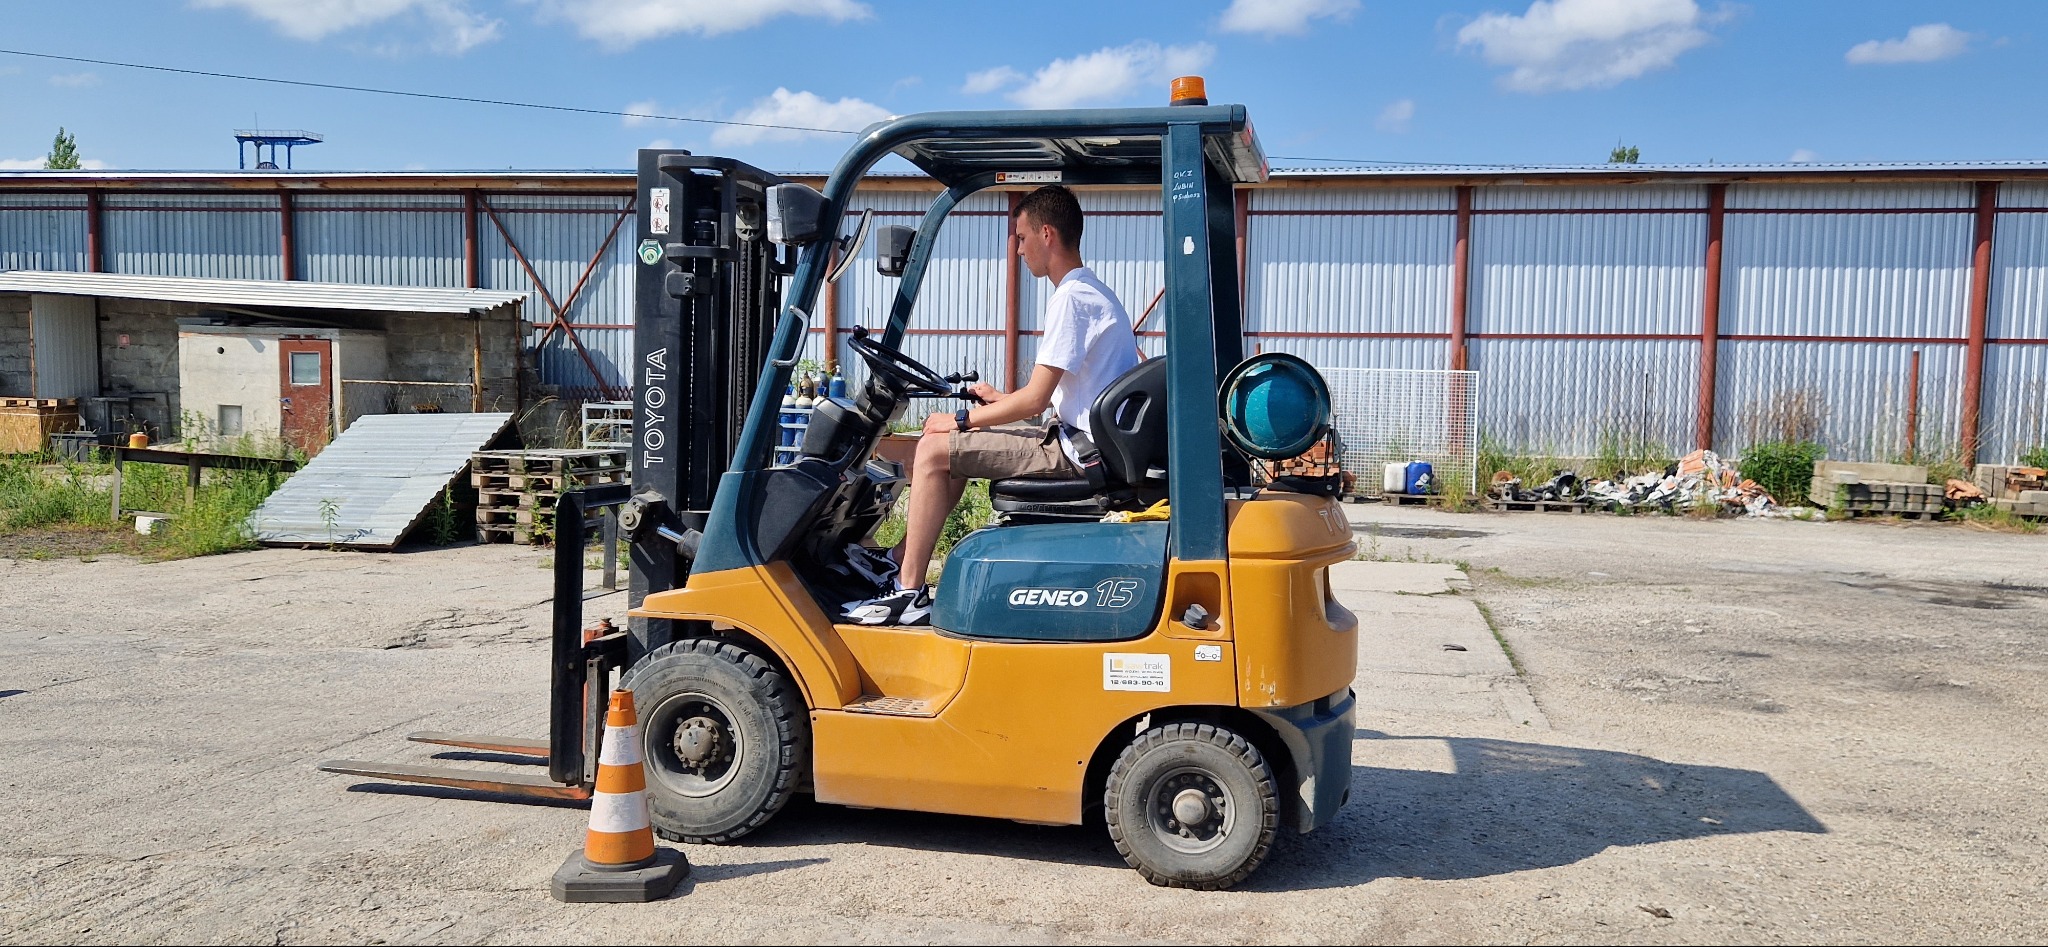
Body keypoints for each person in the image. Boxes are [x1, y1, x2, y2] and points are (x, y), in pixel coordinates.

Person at [846, 185, 1139, 626]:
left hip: (1077, 453)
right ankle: (902, 557)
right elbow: (1060, 394)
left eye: (1021, 239)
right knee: (955, 446)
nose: (1018, 250)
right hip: (1078, 439)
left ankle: (906, 591)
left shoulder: (1072, 299)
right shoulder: (1090, 291)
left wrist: (961, 417)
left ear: (1046, 234)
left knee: (934, 448)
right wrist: (1000, 401)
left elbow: (1035, 400)